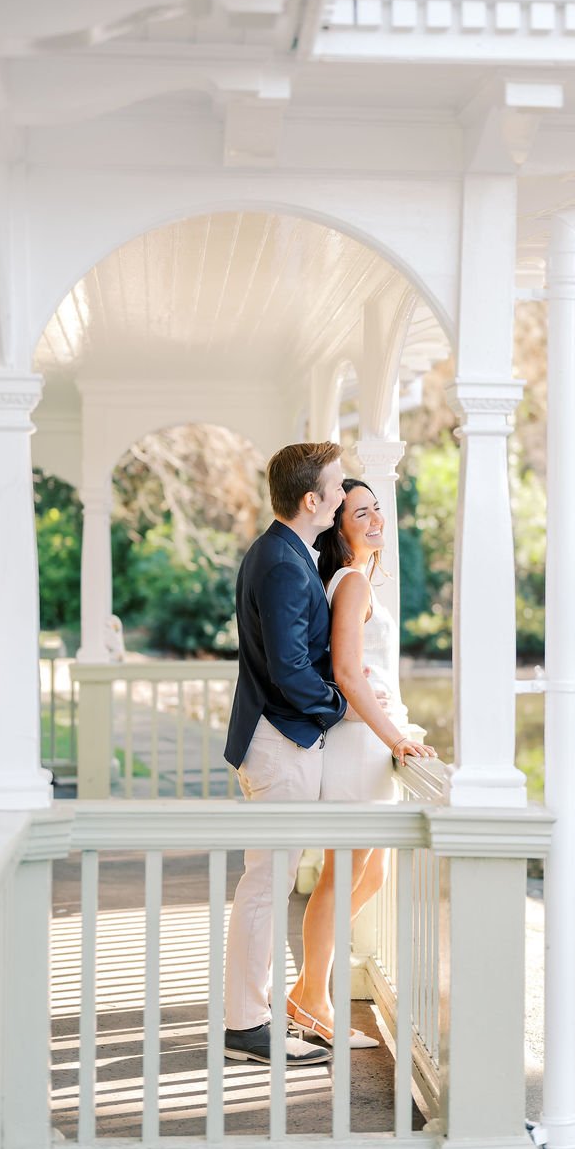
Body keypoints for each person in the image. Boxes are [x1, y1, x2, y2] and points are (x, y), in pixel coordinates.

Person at [286, 479, 436, 1048]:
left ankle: (305, 990)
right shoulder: (350, 582)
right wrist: (397, 737)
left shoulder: (356, 580)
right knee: (342, 874)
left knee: (371, 874)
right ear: (339, 526)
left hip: (373, 745)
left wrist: (395, 732)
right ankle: (314, 1001)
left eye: (377, 510)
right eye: (361, 514)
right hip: (359, 745)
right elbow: (348, 673)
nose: (376, 520)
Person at [222, 442, 348, 1067]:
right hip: (280, 741)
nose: (344, 496)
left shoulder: (285, 552)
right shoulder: (281, 562)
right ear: (311, 499)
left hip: (278, 739)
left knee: (267, 883)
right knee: (266, 886)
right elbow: (289, 666)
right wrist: (338, 707)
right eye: (337, 487)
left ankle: (253, 1014)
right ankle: (247, 1026)